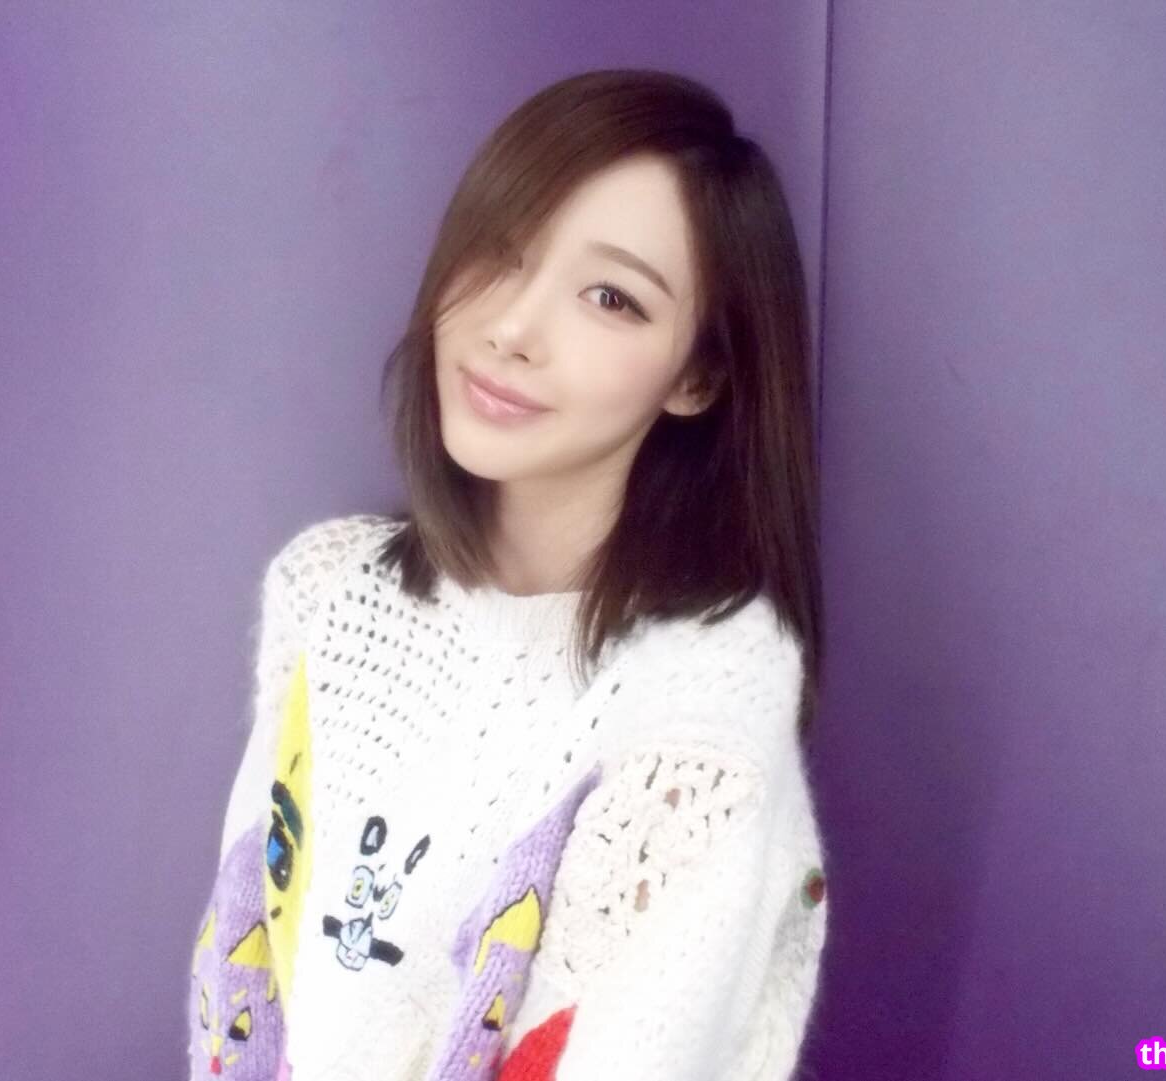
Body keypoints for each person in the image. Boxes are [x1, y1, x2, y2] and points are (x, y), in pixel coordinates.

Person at [186, 67, 829, 1081]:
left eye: (610, 297)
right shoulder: (330, 588)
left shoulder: (705, 697)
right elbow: (247, 959)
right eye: (502, 249)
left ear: (698, 375)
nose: (512, 329)